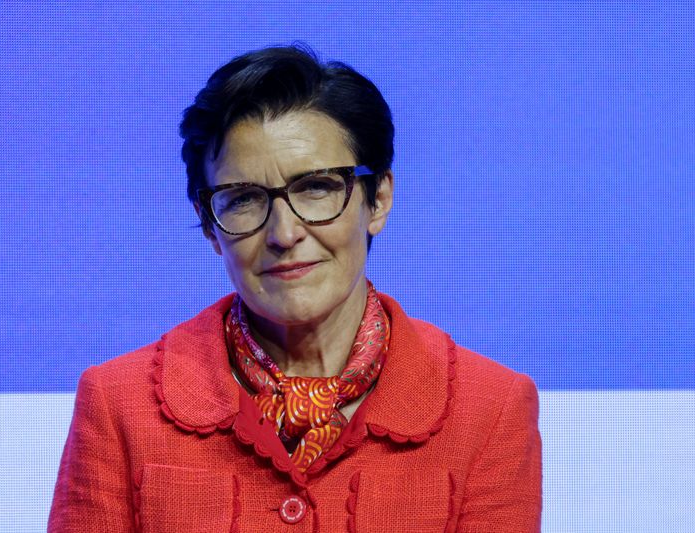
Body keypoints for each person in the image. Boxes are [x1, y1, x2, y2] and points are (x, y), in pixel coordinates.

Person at [48, 45, 541, 532]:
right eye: (242, 198)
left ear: (378, 200)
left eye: (317, 188)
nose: (284, 234)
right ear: (208, 225)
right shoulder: (117, 404)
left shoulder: (489, 410)